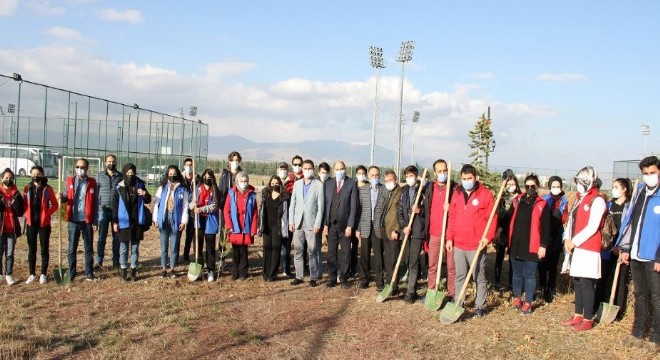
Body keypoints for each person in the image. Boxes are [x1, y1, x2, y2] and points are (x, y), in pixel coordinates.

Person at [617, 156, 660, 348]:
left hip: (653, 256)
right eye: (646, 174)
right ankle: (638, 333)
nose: (649, 176)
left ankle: (657, 337)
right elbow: (633, 222)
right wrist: (626, 248)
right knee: (640, 295)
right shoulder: (641, 192)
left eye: (653, 173)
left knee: (657, 297)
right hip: (636, 253)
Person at [446, 164, 497, 317]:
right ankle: (458, 301)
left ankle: (480, 306)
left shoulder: (485, 194)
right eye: (464, 179)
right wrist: (449, 238)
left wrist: (487, 238)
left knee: (478, 276)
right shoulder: (457, 193)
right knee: (460, 275)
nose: (467, 181)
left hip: (476, 244)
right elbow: (452, 217)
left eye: (469, 178)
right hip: (459, 244)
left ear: (476, 178)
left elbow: (492, 218)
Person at [561, 166, 606, 331]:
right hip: (576, 248)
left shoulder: (597, 200)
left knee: (587, 284)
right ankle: (577, 314)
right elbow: (570, 222)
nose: (578, 185)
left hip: (588, 248)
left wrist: (575, 241)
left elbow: (593, 226)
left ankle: (587, 319)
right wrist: (567, 238)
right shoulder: (580, 198)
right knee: (578, 282)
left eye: (581, 182)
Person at [508, 174, 550, 314]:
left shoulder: (541, 204)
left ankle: (528, 302)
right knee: (517, 274)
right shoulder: (518, 200)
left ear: (537, 187)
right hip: (517, 245)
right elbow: (509, 218)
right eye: (527, 186)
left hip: (531, 246)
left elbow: (545, 227)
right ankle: (517, 298)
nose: (530, 189)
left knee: (529, 275)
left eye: (533, 186)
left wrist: (543, 245)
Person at [594, 178, 632, 316]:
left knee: (620, 281)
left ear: (624, 189)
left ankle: (618, 310)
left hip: (622, 249)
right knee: (602, 279)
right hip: (607, 248)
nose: (613, 189)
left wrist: (622, 247)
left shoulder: (630, 206)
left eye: (616, 187)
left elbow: (630, 229)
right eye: (613, 186)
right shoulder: (609, 205)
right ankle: (596, 306)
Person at [58, 158, 98, 282]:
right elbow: (66, 196)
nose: (79, 169)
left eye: (82, 167)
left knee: (88, 247)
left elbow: (96, 203)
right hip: (73, 220)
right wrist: (61, 197)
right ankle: (71, 272)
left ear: (87, 169)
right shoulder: (70, 181)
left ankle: (89, 273)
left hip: (87, 220)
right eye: (78, 167)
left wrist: (95, 221)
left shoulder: (92, 182)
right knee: (72, 247)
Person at [111, 163, 151, 281]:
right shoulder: (119, 187)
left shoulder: (140, 185)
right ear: (124, 173)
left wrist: (144, 194)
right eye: (128, 173)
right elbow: (115, 206)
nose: (130, 175)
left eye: (132, 173)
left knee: (134, 248)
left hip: (137, 221)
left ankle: (133, 269)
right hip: (124, 222)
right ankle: (123, 269)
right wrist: (115, 222)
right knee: (123, 248)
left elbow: (148, 200)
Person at [289, 159, 324, 287]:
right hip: (298, 223)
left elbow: (321, 207)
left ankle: (313, 277)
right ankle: (299, 276)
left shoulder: (319, 185)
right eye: (305, 168)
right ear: (302, 170)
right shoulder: (297, 184)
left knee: (312, 251)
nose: (307, 171)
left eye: (310, 168)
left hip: (311, 224)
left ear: (313, 169)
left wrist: (317, 224)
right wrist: (291, 221)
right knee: (298, 251)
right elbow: (293, 203)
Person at [324, 160, 358, 288]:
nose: (340, 171)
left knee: (345, 253)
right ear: (334, 170)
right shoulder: (328, 184)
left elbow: (353, 207)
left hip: (345, 226)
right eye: (337, 169)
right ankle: (332, 277)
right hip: (331, 224)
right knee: (331, 252)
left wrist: (350, 225)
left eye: (342, 169)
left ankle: (343, 277)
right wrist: (326, 224)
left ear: (345, 169)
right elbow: (326, 205)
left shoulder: (351, 184)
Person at [425, 160, 456, 300]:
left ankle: (452, 294)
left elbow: (461, 210)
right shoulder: (430, 188)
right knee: (432, 265)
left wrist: (451, 208)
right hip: (434, 232)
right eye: (439, 171)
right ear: (435, 173)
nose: (442, 174)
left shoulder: (455, 189)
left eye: (445, 171)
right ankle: (431, 291)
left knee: (451, 266)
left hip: (449, 233)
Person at [397, 165, 428, 303]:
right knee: (407, 259)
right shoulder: (403, 190)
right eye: (407, 176)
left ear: (416, 176)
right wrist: (404, 226)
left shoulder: (423, 190)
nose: (409, 178)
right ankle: (407, 283)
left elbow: (428, 211)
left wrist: (420, 211)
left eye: (411, 176)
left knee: (414, 261)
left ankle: (411, 291)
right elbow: (399, 211)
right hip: (406, 231)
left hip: (417, 230)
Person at [23, 165, 58, 284]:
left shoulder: (48, 189)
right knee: (32, 249)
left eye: (38, 174)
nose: (35, 176)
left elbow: (55, 205)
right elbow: (23, 204)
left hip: (43, 224)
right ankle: (32, 274)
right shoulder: (27, 188)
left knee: (44, 249)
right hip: (31, 223)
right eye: (33, 174)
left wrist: (47, 214)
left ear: (42, 175)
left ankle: (43, 273)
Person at [153, 165, 189, 278]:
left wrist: (184, 221)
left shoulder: (182, 189)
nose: (172, 176)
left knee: (174, 246)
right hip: (164, 219)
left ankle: (172, 268)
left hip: (176, 219)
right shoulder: (162, 187)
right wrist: (155, 218)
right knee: (164, 245)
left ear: (177, 174)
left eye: (174, 174)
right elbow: (156, 204)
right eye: (170, 174)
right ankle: (164, 268)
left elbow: (185, 206)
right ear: (167, 175)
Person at [539, 175, 568, 302]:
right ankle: (541, 287)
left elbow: (564, 218)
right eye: (553, 186)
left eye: (558, 186)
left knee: (553, 265)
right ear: (549, 187)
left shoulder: (564, 201)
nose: (556, 189)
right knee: (542, 264)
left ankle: (550, 289)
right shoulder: (544, 199)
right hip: (545, 234)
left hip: (557, 235)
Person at [224, 171, 258, 281]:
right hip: (235, 226)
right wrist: (229, 225)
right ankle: (235, 273)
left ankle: (243, 273)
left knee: (244, 251)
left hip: (246, 226)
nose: (244, 183)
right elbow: (226, 210)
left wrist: (253, 228)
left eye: (246, 181)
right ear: (237, 181)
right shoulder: (232, 193)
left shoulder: (252, 194)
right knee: (235, 252)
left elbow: (254, 212)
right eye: (242, 181)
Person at [189, 169, 221, 282]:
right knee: (197, 245)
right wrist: (192, 205)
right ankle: (199, 268)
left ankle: (211, 269)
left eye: (209, 177)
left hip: (210, 220)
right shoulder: (197, 189)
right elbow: (190, 203)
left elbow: (215, 206)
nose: (207, 179)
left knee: (210, 247)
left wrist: (201, 209)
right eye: (205, 177)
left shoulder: (215, 190)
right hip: (199, 221)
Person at [258, 175, 290, 281]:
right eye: (272, 184)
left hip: (278, 227)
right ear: (269, 184)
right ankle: (265, 273)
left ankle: (272, 274)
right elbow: (261, 211)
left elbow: (286, 213)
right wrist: (260, 225)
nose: (274, 185)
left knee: (276, 251)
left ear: (280, 184)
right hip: (267, 227)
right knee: (267, 250)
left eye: (276, 183)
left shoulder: (284, 196)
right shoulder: (265, 194)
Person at [356, 165, 383, 289]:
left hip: (378, 227)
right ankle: (364, 279)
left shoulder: (384, 190)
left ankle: (379, 281)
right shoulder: (363, 190)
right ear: (368, 176)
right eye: (372, 175)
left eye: (376, 175)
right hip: (365, 225)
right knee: (364, 254)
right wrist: (358, 228)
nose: (374, 177)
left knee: (378, 255)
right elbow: (359, 210)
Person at [376, 169, 402, 293]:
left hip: (393, 230)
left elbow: (400, 213)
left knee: (393, 259)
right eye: (386, 181)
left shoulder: (400, 193)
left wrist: (396, 229)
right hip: (384, 230)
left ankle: (394, 285)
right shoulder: (387, 192)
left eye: (390, 180)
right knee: (387, 259)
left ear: (396, 180)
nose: (388, 183)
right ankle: (389, 282)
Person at [494, 173, 520, 291]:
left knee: (512, 259)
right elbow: (498, 215)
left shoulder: (519, 198)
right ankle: (497, 282)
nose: (511, 186)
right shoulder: (501, 198)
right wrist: (498, 230)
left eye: (513, 184)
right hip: (502, 231)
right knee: (499, 257)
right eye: (509, 184)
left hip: (514, 232)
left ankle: (511, 284)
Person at [218, 151, 243, 271]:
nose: (235, 162)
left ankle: (236, 260)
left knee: (237, 232)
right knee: (224, 233)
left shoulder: (241, 174)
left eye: (237, 160)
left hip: (238, 210)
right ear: (229, 161)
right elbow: (221, 190)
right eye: (233, 160)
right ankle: (221, 259)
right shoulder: (224, 174)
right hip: (226, 208)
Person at [95, 154, 122, 268]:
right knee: (102, 237)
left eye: (113, 162)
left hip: (116, 211)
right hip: (103, 210)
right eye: (109, 162)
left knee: (116, 238)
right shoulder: (99, 176)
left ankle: (116, 261)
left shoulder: (120, 176)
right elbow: (96, 193)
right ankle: (99, 261)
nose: (111, 163)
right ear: (105, 163)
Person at [0, 168, 24, 285]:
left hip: (11, 229)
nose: (8, 180)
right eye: (6, 178)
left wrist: (16, 205)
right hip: (1, 228)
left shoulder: (17, 194)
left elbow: (20, 212)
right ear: (2, 178)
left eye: (10, 178)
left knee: (10, 253)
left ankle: (9, 275)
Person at [182, 157, 201, 263]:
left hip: (194, 211)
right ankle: (184, 255)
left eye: (191, 165)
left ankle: (195, 255)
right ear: (184, 166)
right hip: (183, 209)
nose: (189, 167)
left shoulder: (197, 178)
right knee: (182, 234)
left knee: (193, 233)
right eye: (187, 165)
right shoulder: (181, 178)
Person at [351, 165, 368, 279]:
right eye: (359, 173)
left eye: (363, 173)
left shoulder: (368, 186)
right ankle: (352, 268)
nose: (361, 175)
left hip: (364, 220)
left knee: (363, 248)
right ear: (356, 175)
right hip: (353, 220)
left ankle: (363, 270)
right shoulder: (353, 186)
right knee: (353, 247)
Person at [315, 162, 331, 279]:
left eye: (326, 173)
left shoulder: (332, 184)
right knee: (316, 247)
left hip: (329, 220)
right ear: (318, 172)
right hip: (316, 220)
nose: (324, 175)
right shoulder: (315, 183)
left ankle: (332, 271)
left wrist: (327, 223)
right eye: (322, 172)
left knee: (332, 249)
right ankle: (318, 271)